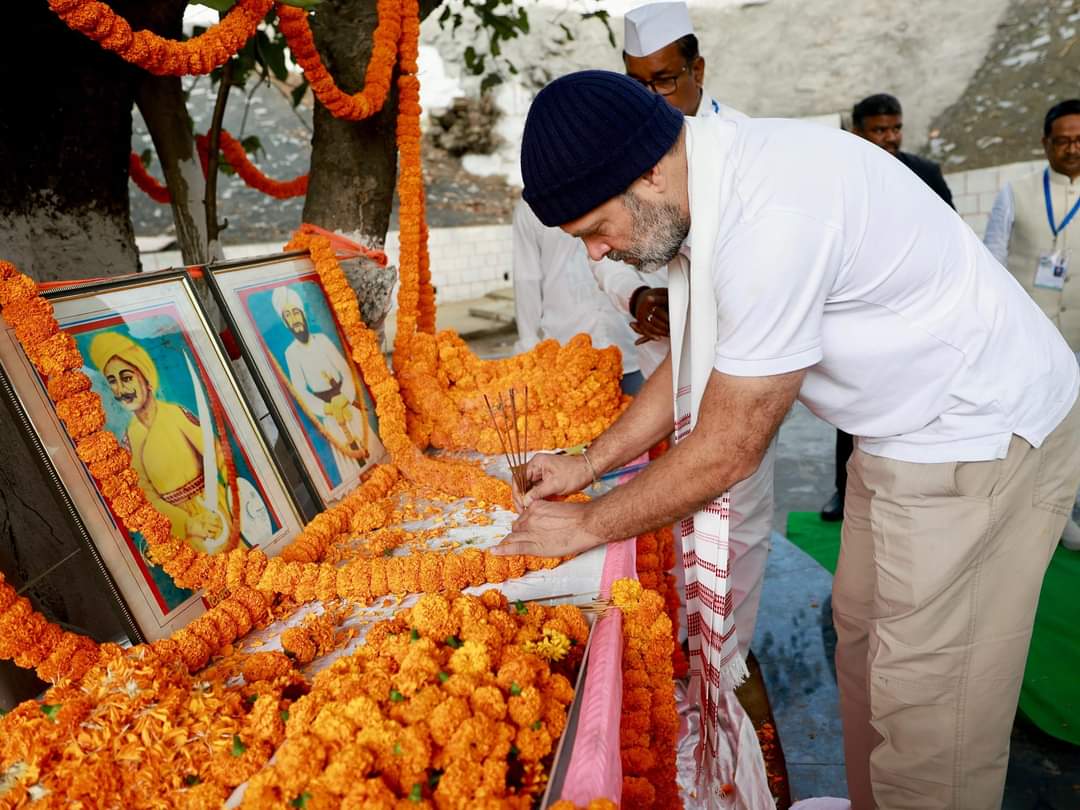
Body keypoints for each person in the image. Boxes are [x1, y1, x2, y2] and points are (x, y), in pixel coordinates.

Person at [500, 71, 1080, 809]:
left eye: (594, 229)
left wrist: (584, 524)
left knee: (933, 711)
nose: (595, 254)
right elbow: (697, 353)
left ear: (646, 171)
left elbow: (726, 448)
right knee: (866, 653)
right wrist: (587, 465)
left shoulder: (769, 212)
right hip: (904, 431)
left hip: (978, 435)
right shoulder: (712, 180)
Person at [584, 0, 775, 659]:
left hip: (740, 365)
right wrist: (639, 297)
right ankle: (674, 643)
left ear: (698, 70)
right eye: (637, 84)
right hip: (662, 356)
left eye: (664, 81)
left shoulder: (747, 149)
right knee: (662, 507)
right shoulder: (619, 149)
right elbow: (599, 250)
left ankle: (725, 659)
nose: (653, 98)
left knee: (735, 508)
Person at [820, 93, 956, 522]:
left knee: (914, 403)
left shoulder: (926, 173)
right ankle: (846, 492)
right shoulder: (838, 175)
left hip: (914, 309)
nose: (890, 138)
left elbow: (952, 237)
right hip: (855, 310)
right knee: (853, 404)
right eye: (880, 130)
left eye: (895, 128)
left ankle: (917, 492)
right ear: (858, 131)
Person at [984, 98, 1080, 550]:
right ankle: (1021, 516)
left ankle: (1068, 511)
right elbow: (993, 262)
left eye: (1079, 140)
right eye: (1062, 141)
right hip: (1031, 341)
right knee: (1028, 429)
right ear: (1045, 143)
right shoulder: (1016, 192)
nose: (1072, 149)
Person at [89, 331, 235, 555]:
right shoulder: (130, 439)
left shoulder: (175, 414)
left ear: (145, 378)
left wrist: (228, 501)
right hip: (182, 529)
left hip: (215, 514)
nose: (121, 389)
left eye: (127, 377)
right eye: (113, 381)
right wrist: (186, 524)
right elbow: (147, 496)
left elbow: (218, 455)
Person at [511, 199, 642, 392]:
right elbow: (526, 279)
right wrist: (528, 344)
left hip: (627, 343)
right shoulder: (529, 209)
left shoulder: (612, 189)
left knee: (641, 414)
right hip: (566, 348)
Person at [272, 285, 370, 487]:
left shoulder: (323, 341)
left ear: (303, 315)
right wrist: (327, 408)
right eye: (288, 316)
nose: (294, 319)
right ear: (285, 322)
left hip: (347, 402)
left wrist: (345, 396)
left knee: (369, 447)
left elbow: (345, 371)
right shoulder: (291, 354)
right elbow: (300, 391)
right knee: (351, 464)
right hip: (329, 413)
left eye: (296, 313)